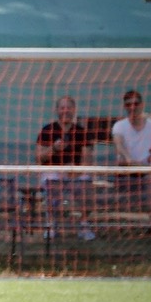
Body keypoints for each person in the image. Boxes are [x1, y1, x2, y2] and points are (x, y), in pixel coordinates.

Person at [36, 96, 95, 241]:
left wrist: (76, 170)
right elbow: (38, 158)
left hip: (76, 172)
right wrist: (54, 149)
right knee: (51, 181)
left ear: (74, 110)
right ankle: (50, 225)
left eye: (68, 107)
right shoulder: (47, 130)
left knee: (87, 184)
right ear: (57, 110)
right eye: (62, 107)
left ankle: (84, 225)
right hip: (53, 172)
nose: (65, 111)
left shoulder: (82, 132)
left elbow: (87, 159)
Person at [112, 90, 151, 213]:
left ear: (142, 104)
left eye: (136, 103)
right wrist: (128, 158)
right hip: (125, 168)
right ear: (124, 106)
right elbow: (118, 145)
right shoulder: (119, 126)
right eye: (128, 104)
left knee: (149, 180)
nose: (132, 107)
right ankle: (125, 223)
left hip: (145, 169)